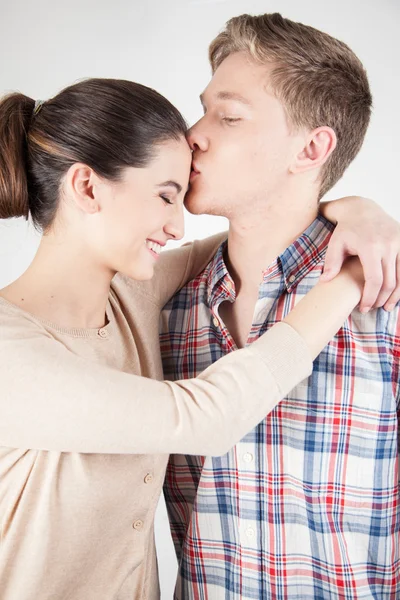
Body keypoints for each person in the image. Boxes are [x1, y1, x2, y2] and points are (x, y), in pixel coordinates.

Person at [0, 78, 382, 600]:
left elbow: (256, 228)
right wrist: (350, 279)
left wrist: (359, 212)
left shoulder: (132, 295)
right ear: (87, 187)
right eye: (164, 197)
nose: (176, 226)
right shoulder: (8, 350)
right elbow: (203, 416)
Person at [161, 13, 400, 600]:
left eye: (230, 115)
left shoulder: (386, 303)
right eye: (204, 109)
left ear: (312, 147)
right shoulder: (166, 313)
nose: (193, 133)